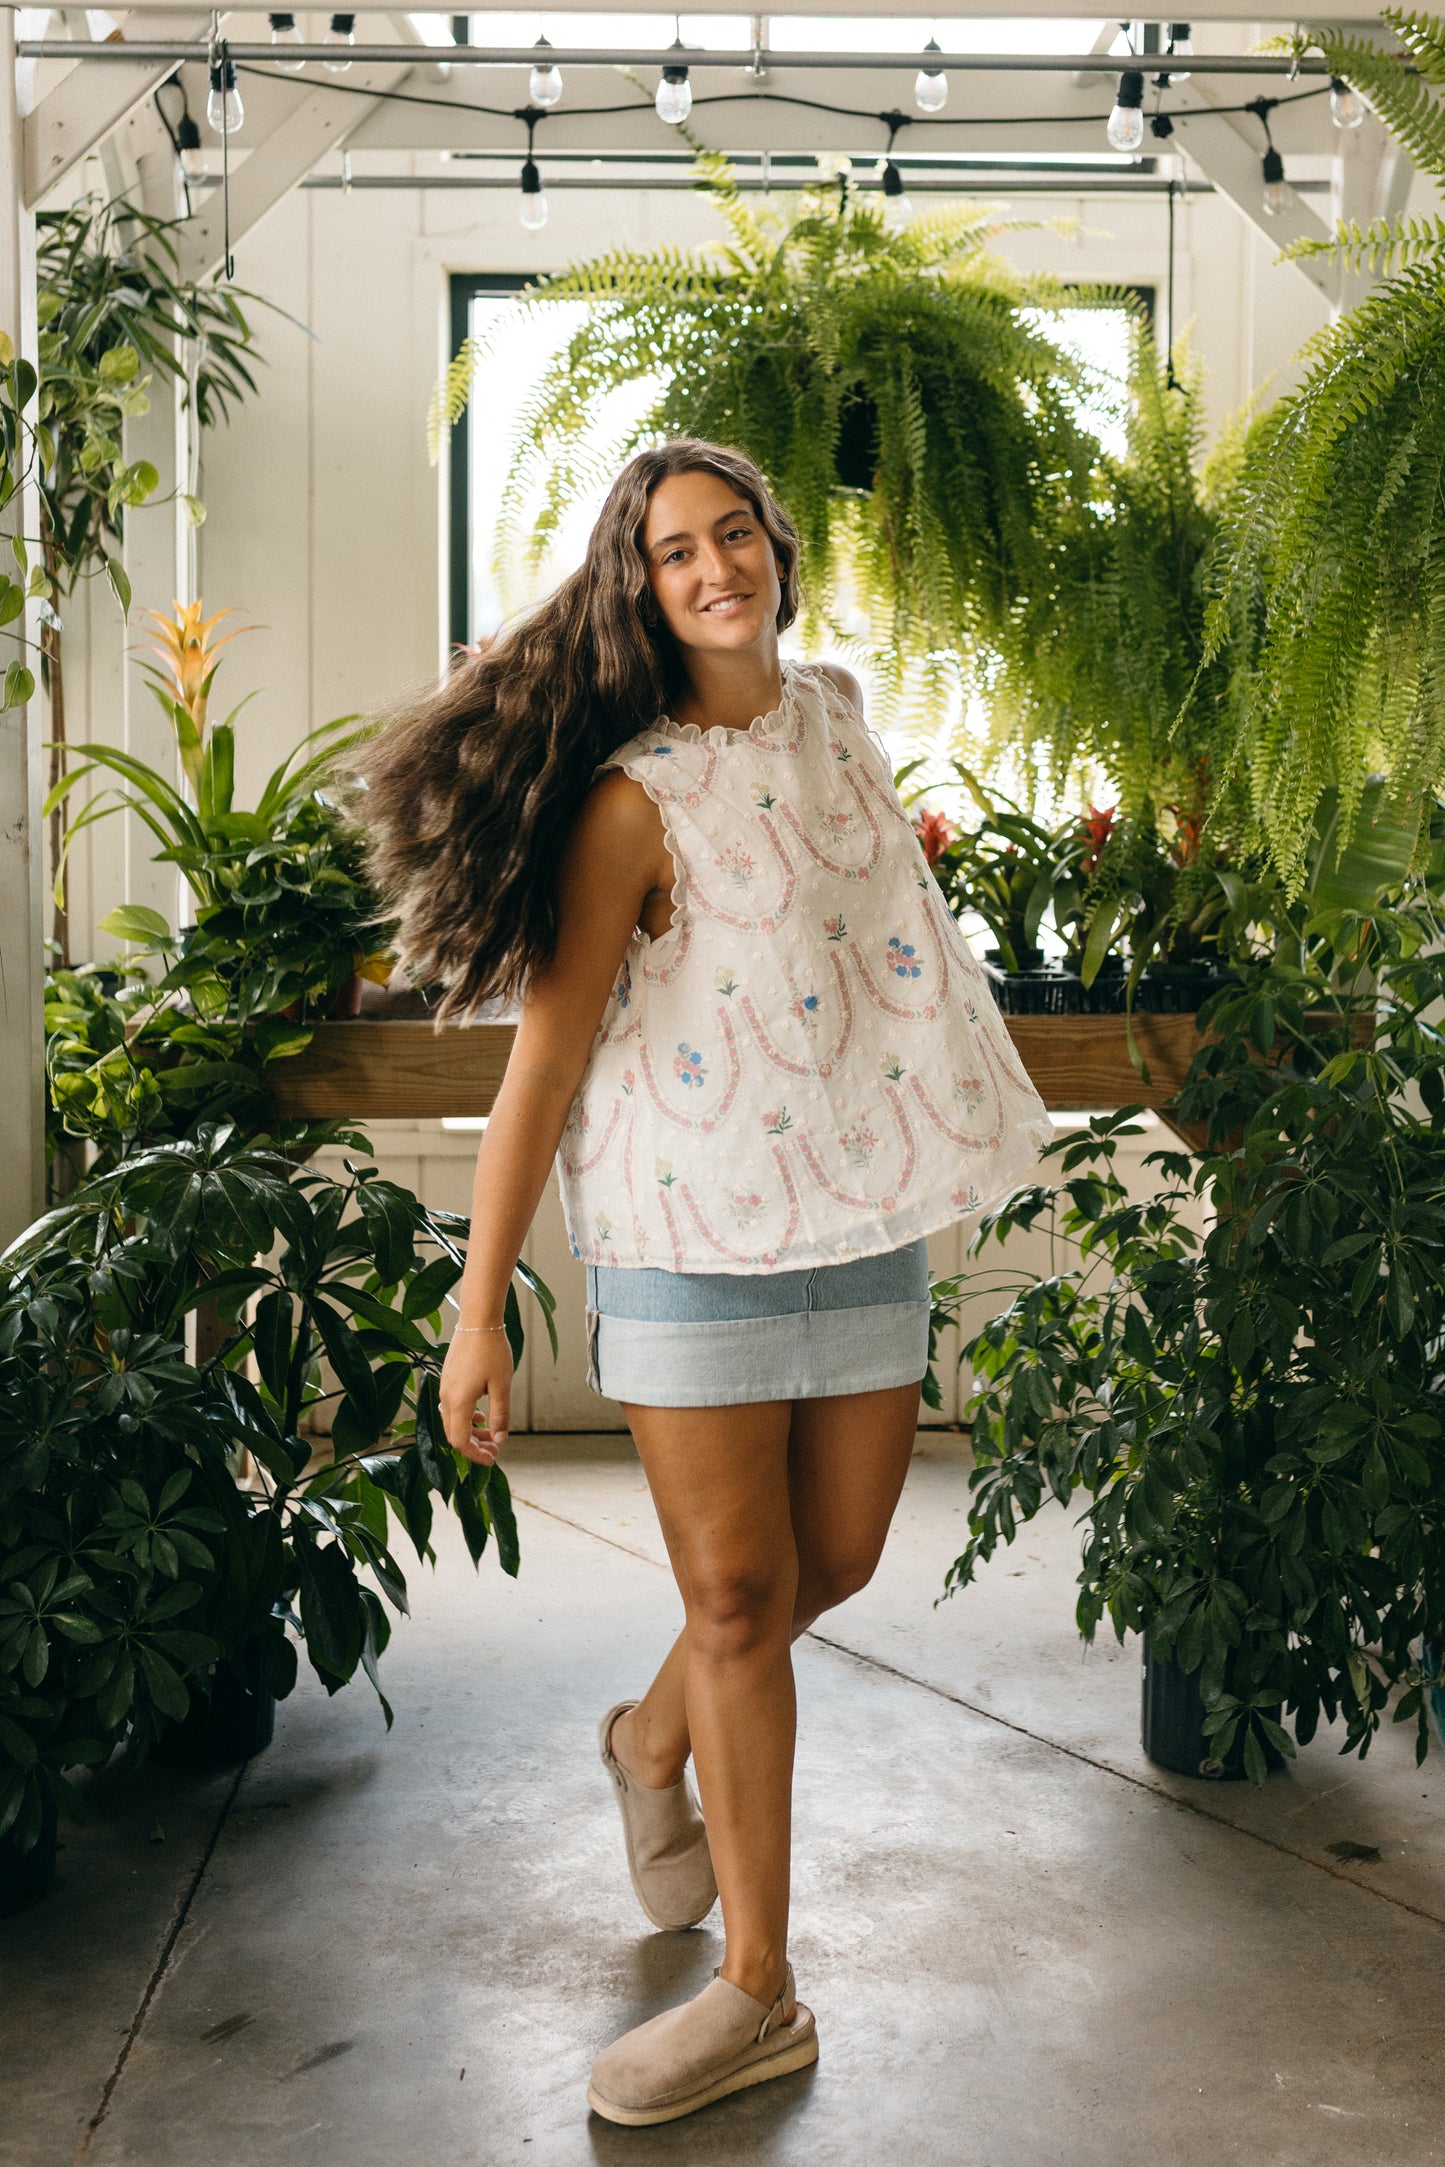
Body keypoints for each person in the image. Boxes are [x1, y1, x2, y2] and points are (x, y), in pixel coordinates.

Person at [355, 438, 1050, 2128]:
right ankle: (760, 1987)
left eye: (731, 533)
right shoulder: (629, 802)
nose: (712, 565)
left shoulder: (837, 718)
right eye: (674, 551)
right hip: (686, 1244)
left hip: (857, 1213)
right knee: (739, 1601)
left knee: (835, 1562)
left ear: (774, 551)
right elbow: (540, 1069)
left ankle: (649, 1743)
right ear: (641, 591)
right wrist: (475, 1312)